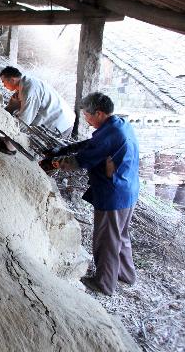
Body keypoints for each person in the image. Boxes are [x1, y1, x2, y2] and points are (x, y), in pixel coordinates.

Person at [41, 92, 140, 296]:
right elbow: (90, 145)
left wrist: (54, 163)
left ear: (100, 113)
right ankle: (126, 275)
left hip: (113, 194)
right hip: (128, 190)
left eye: (87, 115)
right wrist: (62, 149)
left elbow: (81, 161)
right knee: (120, 234)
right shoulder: (118, 125)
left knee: (106, 240)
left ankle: (104, 283)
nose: (85, 119)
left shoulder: (110, 134)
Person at [0, 66, 75, 155]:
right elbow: (12, 108)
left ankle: (12, 147)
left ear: (12, 80)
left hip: (59, 123)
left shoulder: (29, 89)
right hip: (58, 117)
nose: (4, 85)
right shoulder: (24, 85)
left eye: (4, 82)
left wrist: (11, 137)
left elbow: (25, 120)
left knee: (47, 152)